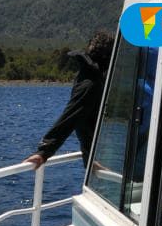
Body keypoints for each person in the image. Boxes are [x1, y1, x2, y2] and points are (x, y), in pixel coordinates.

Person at [24, 30, 114, 168]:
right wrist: (44, 151)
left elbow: (85, 120)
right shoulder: (90, 84)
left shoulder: (89, 77)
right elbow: (71, 117)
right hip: (98, 161)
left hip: (96, 160)